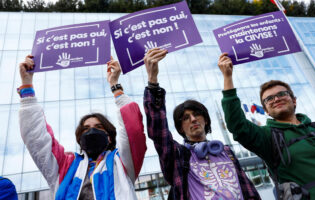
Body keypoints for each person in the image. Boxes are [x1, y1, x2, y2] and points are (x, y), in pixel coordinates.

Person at [218, 53, 315, 200]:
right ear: (266, 111)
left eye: (282, 94)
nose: (276, 99)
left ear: (294, 100)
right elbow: (237, 125)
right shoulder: (266, 136)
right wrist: (227, 77)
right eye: (269, 99)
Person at [18, 55, 146, 199]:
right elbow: (37, 138)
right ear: (80, 139)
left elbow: (133, 131)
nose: (91, 130)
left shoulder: (122, 163)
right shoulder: (65, 166)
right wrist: (27, 85)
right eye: (86, 128)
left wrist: (115, 86)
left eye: (99, 126)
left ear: (109, 137)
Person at [143, 48, 261, 200]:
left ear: (206, 120)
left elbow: (248, 189)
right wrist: (152, 82)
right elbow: (158, 132)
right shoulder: (178, 155)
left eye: (197, 114)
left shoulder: (226, 151)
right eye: (186, 118)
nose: (193, 119)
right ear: (180, 127)